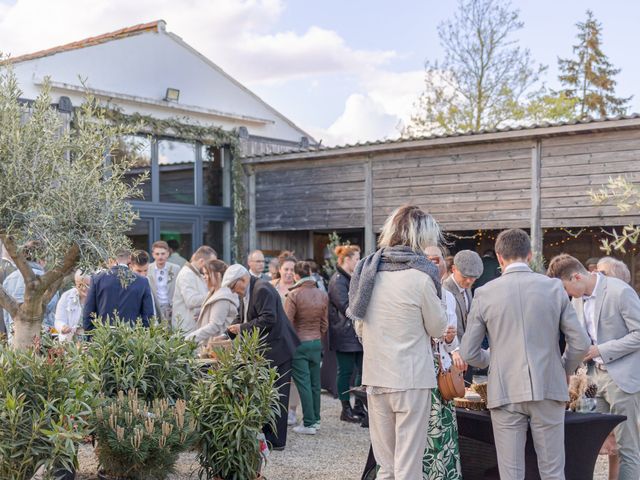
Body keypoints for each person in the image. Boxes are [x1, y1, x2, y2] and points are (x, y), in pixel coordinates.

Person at [461, 229, 590, 480]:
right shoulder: (553, 288)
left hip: (505, 390)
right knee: (553, 471)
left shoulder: (484, 293)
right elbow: (581, 342)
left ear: (499, 258)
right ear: (530, 256)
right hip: (548, 385)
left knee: (511, 474)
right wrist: (562, 367)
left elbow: (468, 352)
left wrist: (492, 360)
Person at [348, 205, 448, 480]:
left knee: (387, 466)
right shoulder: (421, 277)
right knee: (408, 465)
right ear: (421, 237)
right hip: (412, 377)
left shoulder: (367, 271)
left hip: (377, 374)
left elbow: (359, 324)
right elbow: (438, 327)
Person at [547, 254, 640, 480]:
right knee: (587, 440)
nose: (567, 295)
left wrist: (601, 350)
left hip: (621, 381)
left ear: (577, 277)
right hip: (592, 381)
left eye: (567, 288)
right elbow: (575, 341)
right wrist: (563, 372)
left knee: (627, 448)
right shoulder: (577, 299)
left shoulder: (620, 291)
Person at [226, 267, 300, 450]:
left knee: (277, 396)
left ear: (242, 279)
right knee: (268, 394)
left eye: (233, 286)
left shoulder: (261, 289)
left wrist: (242, 328)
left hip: (279, 349)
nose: (233, 291)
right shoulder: (250, 289)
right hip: (270, 350)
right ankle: (268, 435)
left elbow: (268, 319)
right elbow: (243, 315)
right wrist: (230, 331)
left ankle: (277, 441)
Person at [423, 246, 464, 480]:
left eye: (437, 260)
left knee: (443, 428)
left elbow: (451, 341)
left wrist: (449, 339)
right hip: (421, 369)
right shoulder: (416, 290)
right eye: (429, 259)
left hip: (442, 371)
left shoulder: (447, 295)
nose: (434, 264)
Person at [285, 260, 328, 435]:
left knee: (303, 383)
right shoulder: (321, 294)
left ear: (296, 275)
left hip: (299, 343)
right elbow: (325, 323)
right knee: (315, 383)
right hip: (316, 342)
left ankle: (308, 423)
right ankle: (316, 420)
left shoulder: (294, 295)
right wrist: (318, 337)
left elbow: (287, 324)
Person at [328, 244, 365, 423]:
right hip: (344, 333)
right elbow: (345, 307)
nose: (359, 262)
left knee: (363, 371)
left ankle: (359, 404)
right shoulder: (337, 280)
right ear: (347, 260)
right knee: (345, 372)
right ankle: (345, 408)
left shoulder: (350, 278)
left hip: (355, 333)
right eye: (357, 259)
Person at [83, 248, 155, 330]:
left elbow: (88, 311)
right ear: (130, 259)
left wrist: (90, 336)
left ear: (111, 259)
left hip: (103, 336)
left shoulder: (97, 278)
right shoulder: (142, 281)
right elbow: (148, 316)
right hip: (131, 336)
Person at [2, 243, 59, 341]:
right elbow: (50, 307)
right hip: (41, 335)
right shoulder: (47, 279)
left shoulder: (9, 279)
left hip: (15, 335)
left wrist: (10, 334)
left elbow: (6, 311)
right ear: (41, 259)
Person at [270, 252, 301, 425]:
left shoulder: (299, 288)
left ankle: (292, 410)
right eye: (286, 269)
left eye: (292, 270)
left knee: (293, 377)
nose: (289, 273)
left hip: (293, 337)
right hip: (274, 337)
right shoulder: (270, 286)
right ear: (280, 270)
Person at [186, 260, 240, 345]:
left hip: (219, 347)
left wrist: (190, 338)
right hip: (212, 345)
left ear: (217, 275)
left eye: (207, 274)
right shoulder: (214, 292)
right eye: (203, 274)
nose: (204, 277)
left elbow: (214, 325)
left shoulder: (223, 297)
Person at [172, 246, 217, 335]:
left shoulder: (195, 273)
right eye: (210, 263)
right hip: (186, 330)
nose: (212, 267)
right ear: (201, 261)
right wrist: (213, 295)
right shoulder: (187, 274)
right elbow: (191, 301)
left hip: (193, 328)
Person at [443, 250, 483, 341]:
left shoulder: (466, 287)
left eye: (473, 277)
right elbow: (446, 329)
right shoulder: (444, 290)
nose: (469, 281)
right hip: (452, 350)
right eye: (464, 276)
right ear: (453, 269)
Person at [148, 241, 181, 322]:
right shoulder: (148, 269)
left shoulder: (176, 268)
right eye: (157, 254)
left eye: (163, 254)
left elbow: (179, 289)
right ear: (153, 254)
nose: (160, 257)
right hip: (154, 307)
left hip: (171, 308)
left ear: (168, 253)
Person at [54, 270, 90, 342]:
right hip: (70, 341)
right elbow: (58, 320)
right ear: (75, 283)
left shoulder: (98, 297)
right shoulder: (66, 296)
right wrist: (62, 327)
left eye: (87, 285)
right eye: (80, 285)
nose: (83, 288)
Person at [130, 250, 161, 318]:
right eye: (139, 271)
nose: (143, 275)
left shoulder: (150, 279)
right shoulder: (126, 284)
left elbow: (154, 305)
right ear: (131, 267)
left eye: (145, 270)